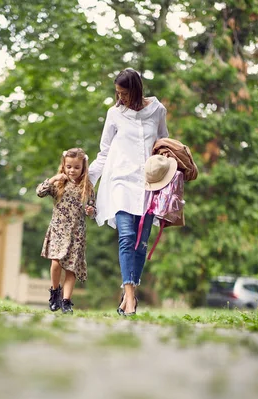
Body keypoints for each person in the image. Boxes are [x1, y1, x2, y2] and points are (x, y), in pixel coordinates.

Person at [88, 67, 169, 316]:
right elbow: (104, 152)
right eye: (117, 93)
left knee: (140, 243)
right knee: (126, 236)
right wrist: (87, 181)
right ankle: (131, 297)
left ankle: (128, 294)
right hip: (121, 181)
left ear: (135, 90)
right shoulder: (114, 114)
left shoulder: (157, 111)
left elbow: (163, 143)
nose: (120, 98)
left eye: (124, 93)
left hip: (148, 185)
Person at [36, 147, 96, 314]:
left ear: (83, 167)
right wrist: (54, 178)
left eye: (77, 167)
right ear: (63, 165)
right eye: (69, 166)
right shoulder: (59, 184)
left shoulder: (87, 187)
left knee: (71, 268)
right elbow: (40, 192)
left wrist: (91, 211)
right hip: (59, 230)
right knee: (56, 263)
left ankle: (66, 301)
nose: (72, 170)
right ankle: (55, 292)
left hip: (77, 233)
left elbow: (92, 208)